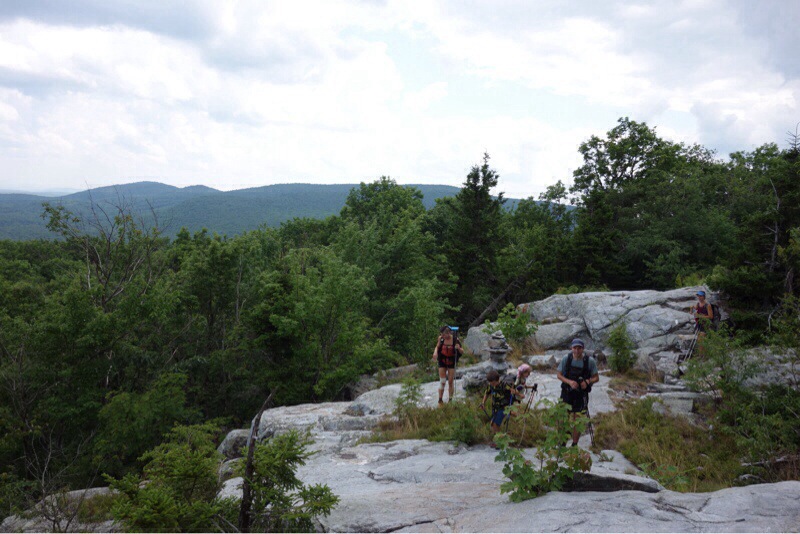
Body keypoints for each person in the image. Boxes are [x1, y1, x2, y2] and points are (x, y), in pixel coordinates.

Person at [557, 338, 599, 447]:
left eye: (579, 348)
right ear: (571, 348)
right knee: (563, 418)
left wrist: (588, 381)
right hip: (567, 392)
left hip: (581, 395)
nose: (576, 350)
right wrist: (569, 382)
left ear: (583, 349)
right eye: (575, 348)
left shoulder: (589, 361)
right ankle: (562, 443)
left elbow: (596, 378)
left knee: (579, 420)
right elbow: (559, 375)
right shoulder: (567, 359)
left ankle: (574, 445)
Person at [480, 369, 514, 446]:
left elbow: (513, 392)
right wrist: (483, 403)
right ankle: (500, 440)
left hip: (503, 408)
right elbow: (487, 393)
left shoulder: (504, 385)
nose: (492, 384)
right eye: (490, 383)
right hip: (495, 408)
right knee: (493, 425)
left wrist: (516, 393)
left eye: (493, 383)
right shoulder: (490, 386)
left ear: (497, 380)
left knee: (494, 424)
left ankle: (500, 442)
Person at [432, 325, 462, 404]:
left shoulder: (455, 339)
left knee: (450, 381)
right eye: (442, 335)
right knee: (442, 381)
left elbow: (462, 351)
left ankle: (450, 400)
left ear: (448, 333)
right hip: (442, 360)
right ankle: (440, 400)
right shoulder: (441, 339)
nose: (443, 336)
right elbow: (437, 347)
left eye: (444, 335)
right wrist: (435, 352)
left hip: (451, 361)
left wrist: (458, 348)